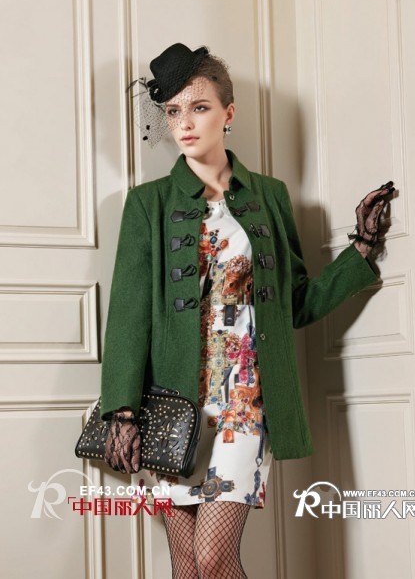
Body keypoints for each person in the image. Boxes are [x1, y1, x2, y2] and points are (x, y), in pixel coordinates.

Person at [99, 43, 396, 579]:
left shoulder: (269, 197)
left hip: (245, 403)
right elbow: (127, 315)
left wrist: (361, 250)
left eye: (200, 107)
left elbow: (294, 303)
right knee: (188, 565)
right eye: (173, 110)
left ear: (228, 113)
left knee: (214, 559)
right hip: (172, 405)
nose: (185, 123)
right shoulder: (148, 204)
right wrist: (122, 411)